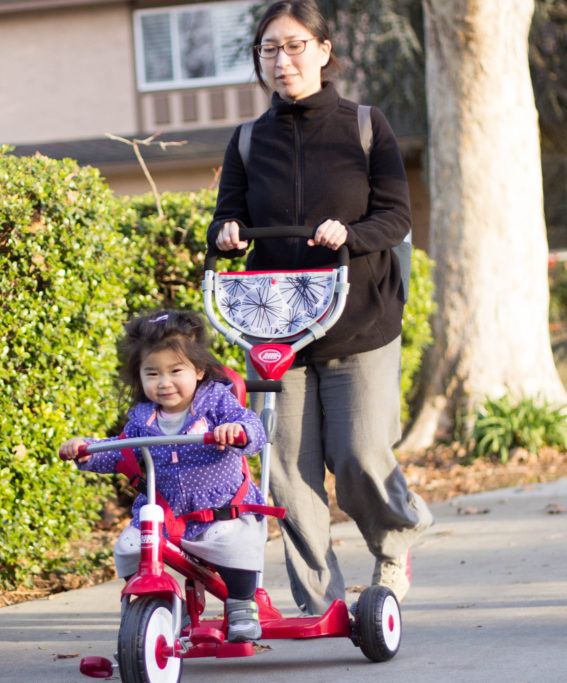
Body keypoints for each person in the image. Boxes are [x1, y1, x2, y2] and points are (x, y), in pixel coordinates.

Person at [207, 0, 433, 616]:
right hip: (275, 325)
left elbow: (395, 216)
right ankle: (319, 604)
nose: (283, 61)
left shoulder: (365, 125)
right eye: (270, 50)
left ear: (324, 51)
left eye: (295, 45)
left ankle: (395, 542)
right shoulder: (249, 140)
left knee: (359, 456)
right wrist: (226, 231)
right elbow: (228, 216)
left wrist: (349, 235)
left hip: (359, 320)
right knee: (285, 472)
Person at [59, 310, 268, 641]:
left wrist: (237, 430)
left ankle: (241, 604)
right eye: (152, 373)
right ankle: (165, 605)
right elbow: (121, 449)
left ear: (199, 370)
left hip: (220, 509)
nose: (164, 382)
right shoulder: (143, 418)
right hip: (164, 512)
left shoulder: (215, 402)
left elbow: (252, 426)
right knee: (129, 547)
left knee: (235, 543)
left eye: (175, 371)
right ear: (140, 377)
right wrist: (86, 449)